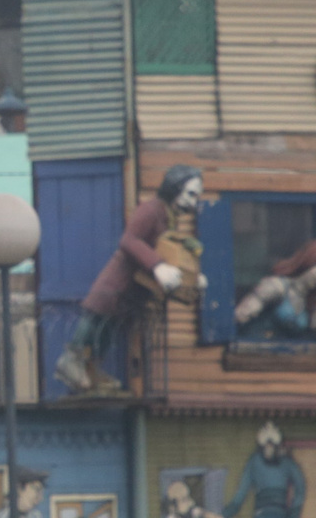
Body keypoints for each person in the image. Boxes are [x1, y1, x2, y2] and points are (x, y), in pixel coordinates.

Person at [55, 165, 204, 394]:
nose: (193, 202)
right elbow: (129, 240)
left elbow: (168, 250)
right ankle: (71, 360)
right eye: (190, 194)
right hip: (117, 282)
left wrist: (191, 277)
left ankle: (92, 371)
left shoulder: (169, 216)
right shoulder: (151, 209)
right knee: (95, 322)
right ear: (174, 187)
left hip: (131, 291)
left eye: (196, 196)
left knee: (108, 330)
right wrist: (157, 266)